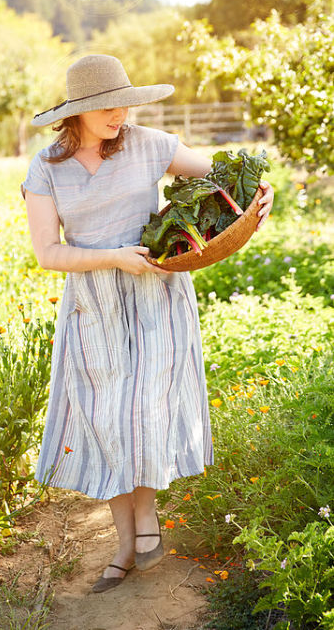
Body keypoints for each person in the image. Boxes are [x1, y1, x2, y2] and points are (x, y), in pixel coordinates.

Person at [20, 54, 274, 593]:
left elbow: (224, 179)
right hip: (95, 302)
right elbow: (47, 252)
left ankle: (145, 527)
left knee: (140, 410)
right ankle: (125, 542)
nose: (121, 114)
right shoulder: (46, 168)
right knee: (105, 418)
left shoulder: (149, 144)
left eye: (125, 103)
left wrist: (260, 197)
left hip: (156, 294)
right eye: (108, 107)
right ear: (80, 112)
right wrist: (113, 257)